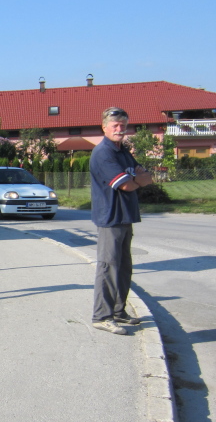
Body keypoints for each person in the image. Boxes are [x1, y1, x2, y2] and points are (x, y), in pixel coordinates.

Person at [90, 107, 153, 335]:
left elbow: (146, 177)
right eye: (115, 125)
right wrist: (136, 179)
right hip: (111, 218)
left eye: (123, 125)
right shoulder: (103, 153)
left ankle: (118, 311)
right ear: (104, 127)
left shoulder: (123, 151)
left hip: (126, 217)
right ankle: (102, 316)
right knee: (108, 267)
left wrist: (136, 178)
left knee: (124, 268)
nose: (119, 129)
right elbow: (126, 184)